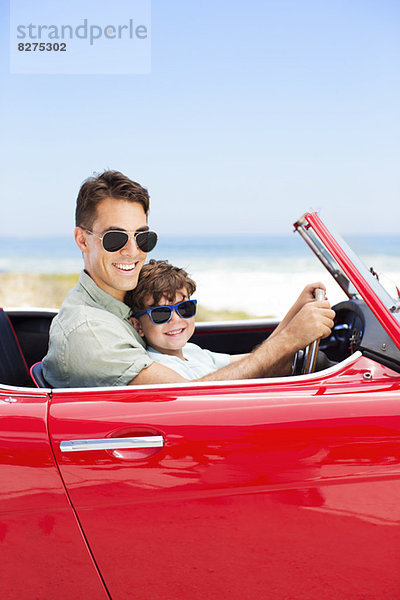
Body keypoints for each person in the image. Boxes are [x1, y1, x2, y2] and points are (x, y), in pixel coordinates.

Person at [43, 169, 335, 387]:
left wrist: (291, 322)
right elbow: (192, 398)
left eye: (143, 237)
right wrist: (289, 339)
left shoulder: (120, 304)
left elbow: (235, 366)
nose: (133, 252)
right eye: (115, 237)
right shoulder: (90, 332)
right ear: (82, 240)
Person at [126, 259, 249, 379]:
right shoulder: (160, 369)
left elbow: (242, 362)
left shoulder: (190, 350)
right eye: (161, 313)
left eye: (184, 308)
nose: (176, 319)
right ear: (138, 326)